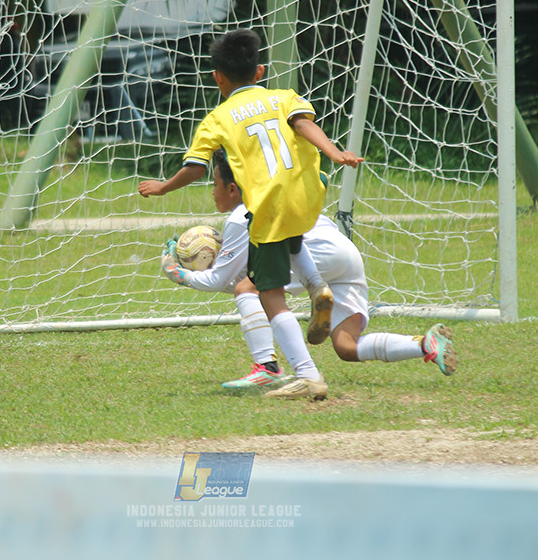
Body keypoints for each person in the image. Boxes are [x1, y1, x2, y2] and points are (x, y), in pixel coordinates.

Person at [139, 28, 363, 400]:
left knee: (267, 294)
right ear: (259, 71)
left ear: (218, 77)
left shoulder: (217, 119)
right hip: (308, 194)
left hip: (268, 205)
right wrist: (335, 152)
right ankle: (316, 285)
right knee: (291, 238)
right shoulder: (283, 97)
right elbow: (304, 124)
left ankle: (308, 375)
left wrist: (162, 187)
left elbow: (195, 168)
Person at [159, 149, 457, 394]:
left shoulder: (241, 216)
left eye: (214, 184)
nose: (212, 192)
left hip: (313, 253)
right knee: (346, 346)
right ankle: (425, 344)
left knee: (250, 290)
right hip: (344, 254)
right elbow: (236, 280)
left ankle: (267, 367)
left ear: (233, 189)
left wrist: (177, 273)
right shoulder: (274, 197)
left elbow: (219, 280)